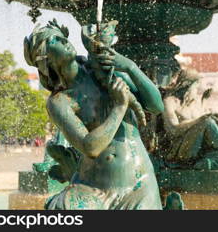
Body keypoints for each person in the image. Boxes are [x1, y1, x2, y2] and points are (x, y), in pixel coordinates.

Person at [23, 20, 164, 210]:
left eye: (62, 36)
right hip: (92, 188)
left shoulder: (101, 68)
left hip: (138, 182)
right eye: (54, 40)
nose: (64, 40)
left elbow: (156, 106)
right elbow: (91, 147)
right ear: (45, 59)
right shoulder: (60, 101)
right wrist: (120, 106)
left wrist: (130, 67)